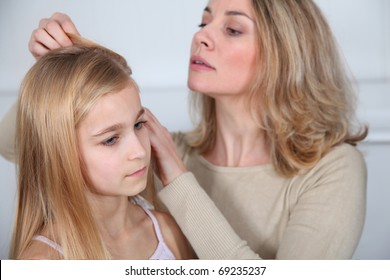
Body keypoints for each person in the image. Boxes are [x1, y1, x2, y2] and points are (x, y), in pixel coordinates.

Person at [1, 0, 368, 259]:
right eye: (203, 22)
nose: (202, 36)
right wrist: (54, 73)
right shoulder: (151, 151)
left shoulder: (334, 169)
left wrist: (178, 180)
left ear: (287, 54)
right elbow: (16, 147)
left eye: (233, 29)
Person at [9, 35, 191, 259]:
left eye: (138, 124)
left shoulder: (166, 231)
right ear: (61, 153)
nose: (141, 152)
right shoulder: (43, 261)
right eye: (111, 139)